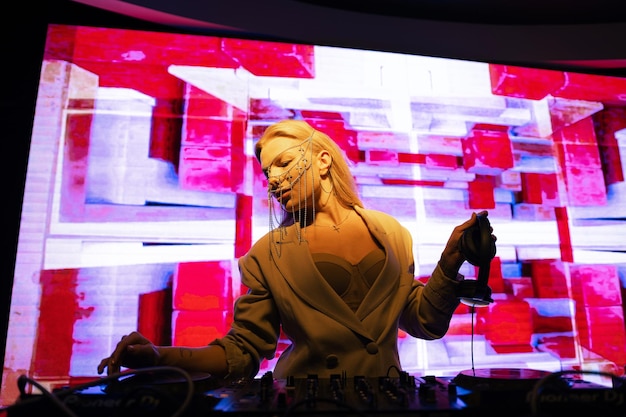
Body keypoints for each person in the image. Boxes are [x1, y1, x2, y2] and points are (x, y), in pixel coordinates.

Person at [97, 119, 496, 381]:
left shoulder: (393, 234)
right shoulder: (266, 255)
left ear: (323, 160)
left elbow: (424, 322)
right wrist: (159, 357)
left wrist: (451, 258)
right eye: (266, 172)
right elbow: (244, 351)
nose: (272, 180)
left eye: (283, 163)